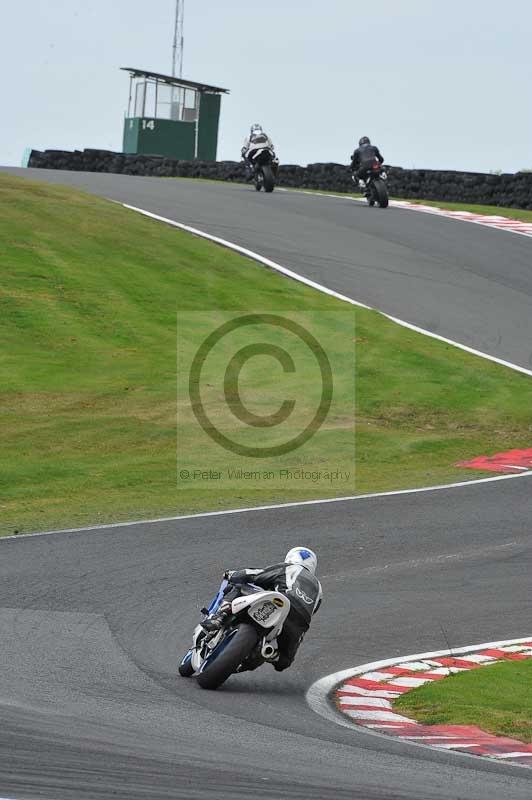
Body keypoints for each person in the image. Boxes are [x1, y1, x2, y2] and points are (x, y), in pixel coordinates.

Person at [201, 546, 322, 671]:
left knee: (238, 585)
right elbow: (314, 610)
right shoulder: (319, 589)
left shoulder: (289, 567)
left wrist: (233, 575)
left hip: (279, 601)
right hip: (299, 622)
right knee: (284, 661)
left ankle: (219, 617)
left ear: (290, 557)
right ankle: (268, 654)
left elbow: (256, 574)